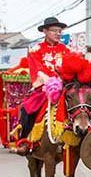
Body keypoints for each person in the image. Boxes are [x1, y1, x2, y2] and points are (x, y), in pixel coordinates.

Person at [13, 16, 71, 155]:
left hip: (64, 86)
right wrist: (52, 82)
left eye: (60, 31)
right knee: (27, 108)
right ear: (45, 31)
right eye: (54, 31)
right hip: (44, 88)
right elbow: (37, 70)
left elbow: (70, 67)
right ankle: (25, 141)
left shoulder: (66, 50)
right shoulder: (35, 50)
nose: (58, 33)